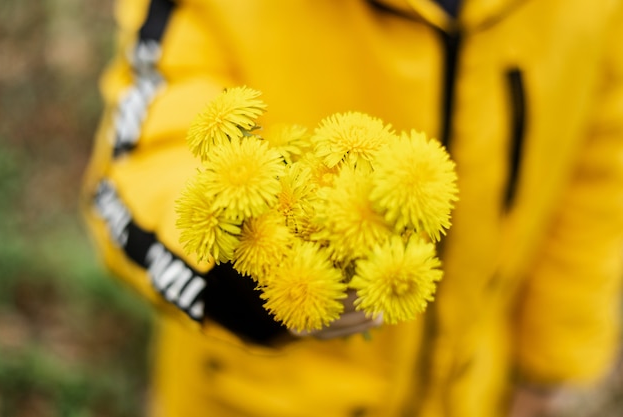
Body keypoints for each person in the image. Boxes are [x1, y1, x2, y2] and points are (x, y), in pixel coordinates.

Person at [80, 0, 623, 416]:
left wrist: (549, 362)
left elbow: (597, 167)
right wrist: (235, 276)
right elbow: (147, 151)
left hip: (473, 387)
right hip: (249, 395)